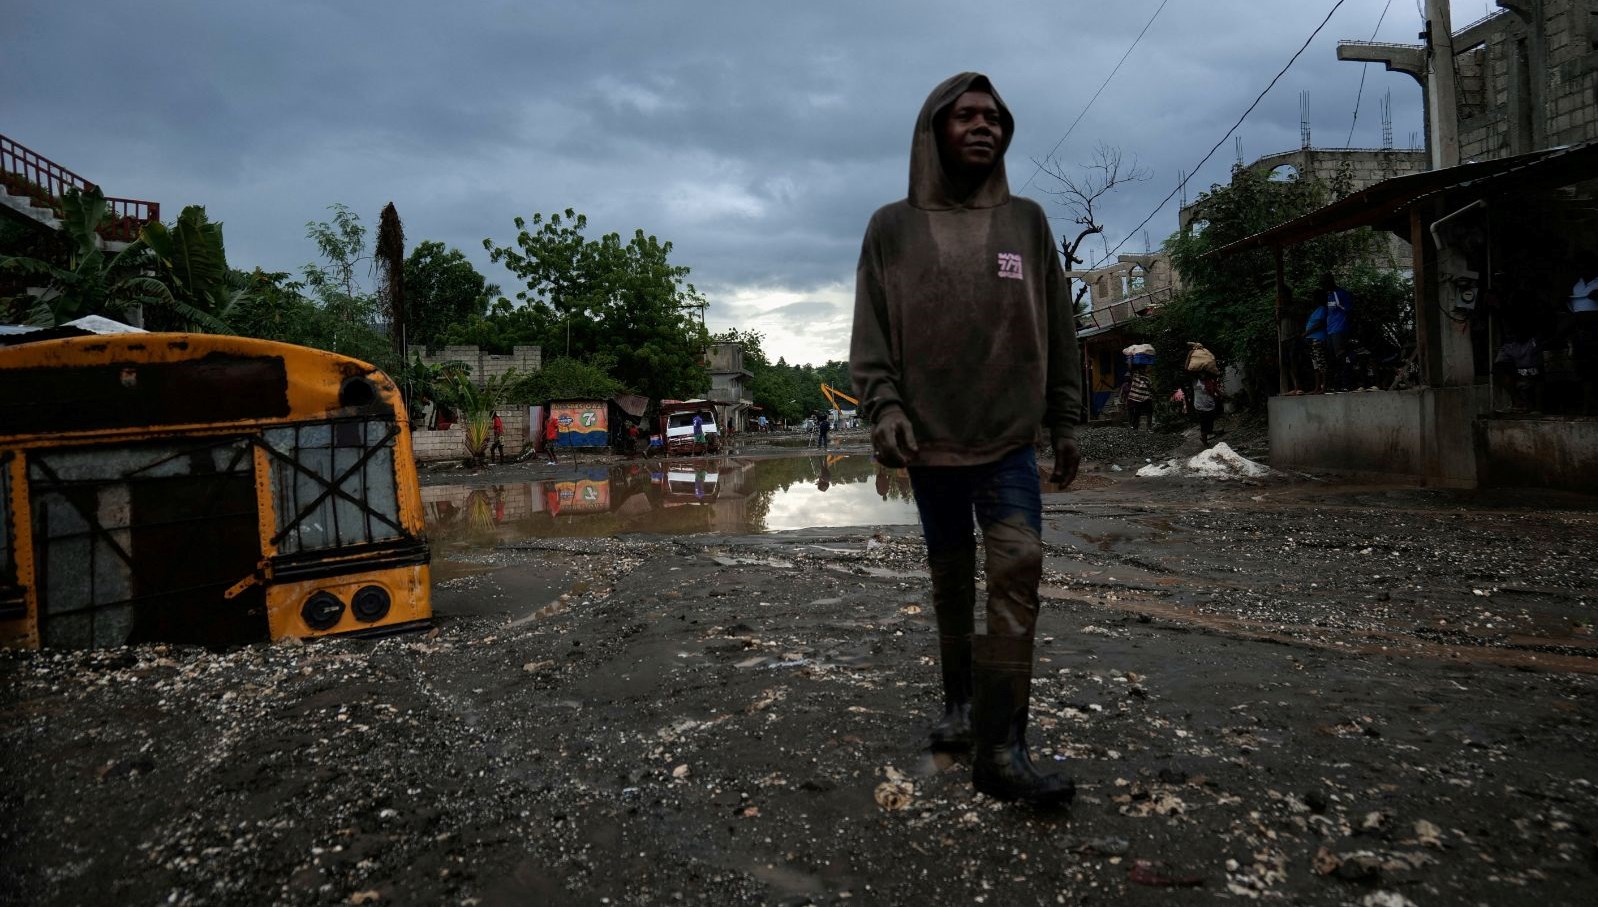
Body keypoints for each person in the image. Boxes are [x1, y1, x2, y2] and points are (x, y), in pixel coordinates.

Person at [850, 72, 1081, 806]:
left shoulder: (1027, 224)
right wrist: (884, 409)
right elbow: (871, 335)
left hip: (1009, 440)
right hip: (930, 441)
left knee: (1019, 567)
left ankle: (1003, 749)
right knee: (951, 576)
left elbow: (1060, 326)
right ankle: (958, 707)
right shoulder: (892, 228)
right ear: (934, 131)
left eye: (995, 117)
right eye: (966, 116)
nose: (984, 127)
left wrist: (1067, 419)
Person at [1322, 273, 1353, 392]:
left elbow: (1349, 310)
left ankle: (1345, 383)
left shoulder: (1341, 293)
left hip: (1340, 329)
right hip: (1330, 330)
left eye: (1325, 283)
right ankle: (1336, 384)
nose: (1324, 286)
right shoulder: (1328, 295)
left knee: (1341, 355)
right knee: (1332, 358)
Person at [1303, 300, 1328, 395]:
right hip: (1312, 340)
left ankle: (1324, 387)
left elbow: (1320, 324)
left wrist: (1306, 333)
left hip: (1317, 339)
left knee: (1321, 364)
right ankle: (1317, 388)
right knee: (1316, 365)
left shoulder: (1322, 309)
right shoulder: (1316, 310)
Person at [1193, 370, 1223, 445]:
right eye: (1201, 373)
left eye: (1204, 373)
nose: (1202, 375)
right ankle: (1205, 441)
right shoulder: (1195, 381)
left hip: (1210, 406)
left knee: (1210, 423)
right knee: (1203, 424)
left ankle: (1207, 435)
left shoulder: (1210, 381)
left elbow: (1217, 390)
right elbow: (1187, 369)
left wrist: (1223, 395)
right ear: (1198, 374)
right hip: (1200, 407)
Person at [1126, 365, 1153, 430]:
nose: (1143, 370)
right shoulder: (1135, 376)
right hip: (1138, 398)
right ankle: (1135, 426)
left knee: (1148, 412)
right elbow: (1130, 369)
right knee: (1138, 413)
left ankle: (1148, 427)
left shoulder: (1147, 378)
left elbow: (1150, 387)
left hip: (1145, 397)